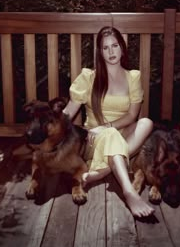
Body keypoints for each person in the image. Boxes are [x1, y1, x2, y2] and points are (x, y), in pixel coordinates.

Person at [63, 26, 154, 217]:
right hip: (93, 139)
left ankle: (100, 172)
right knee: (111, 134)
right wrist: (50, 125)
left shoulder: (133, 77)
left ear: (122, 47)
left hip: (120, 134)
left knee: (146, 122)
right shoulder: (89, 77)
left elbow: (132, 116)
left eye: (115, 45)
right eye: (105, 48)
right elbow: (69, 111)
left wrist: (108, 127)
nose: (111, 52)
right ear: (100, 52)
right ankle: (129, 192)